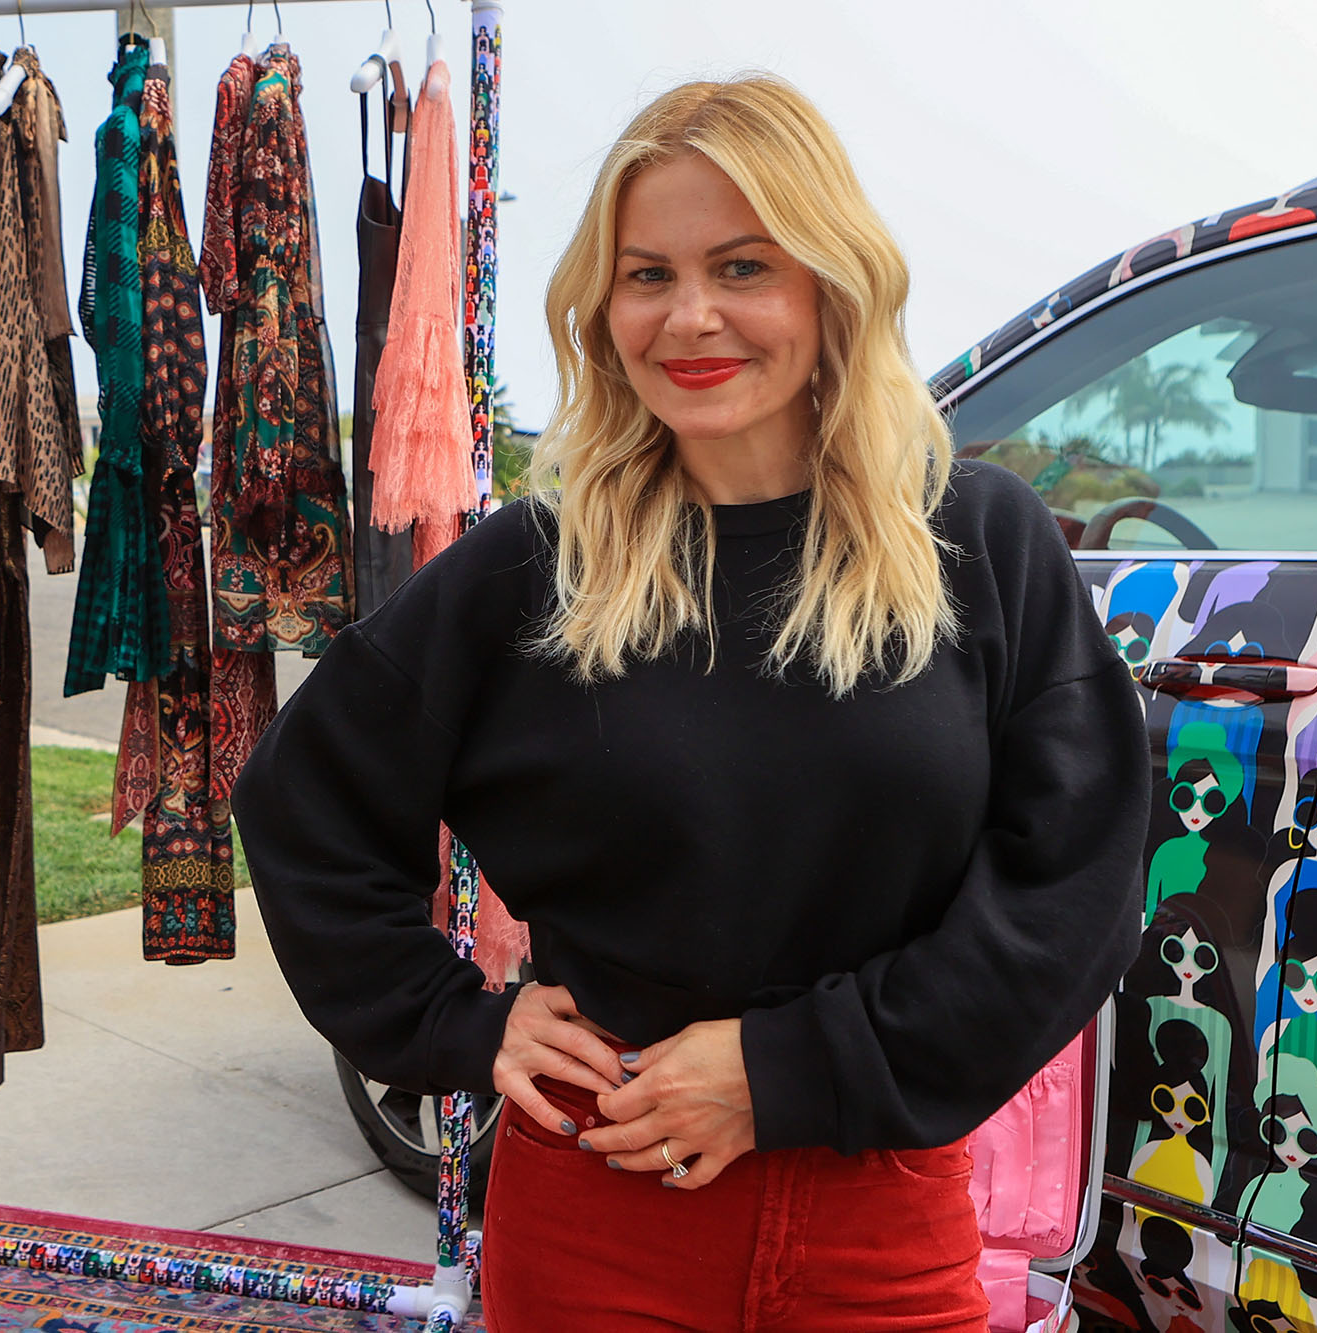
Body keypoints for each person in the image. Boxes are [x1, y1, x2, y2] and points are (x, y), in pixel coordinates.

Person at [233, 73, 1150, 1332]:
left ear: (830, 284)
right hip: (597, 1219)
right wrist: (454, 1022)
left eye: (742, 266)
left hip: (878, 1223)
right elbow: (303, 802)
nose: (690, 317)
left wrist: (784, 1072)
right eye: (646, 274)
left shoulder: (976, 545)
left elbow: (1072, 892)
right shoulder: (528, 571)